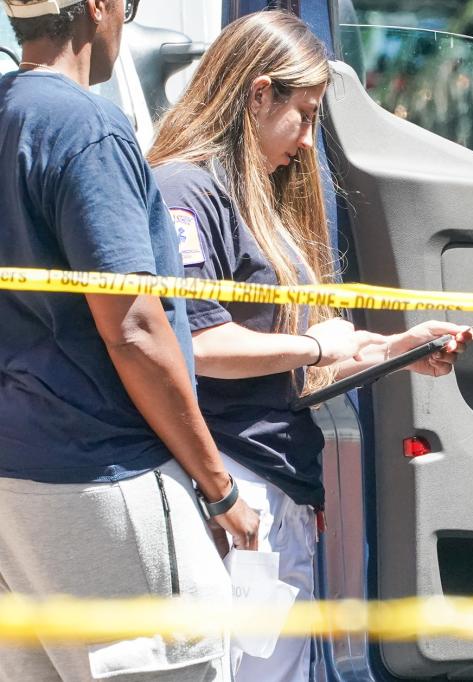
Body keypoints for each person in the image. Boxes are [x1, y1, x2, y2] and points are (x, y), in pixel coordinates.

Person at [147, 11, 473, 681]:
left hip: (276, 486)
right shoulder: (187, 187)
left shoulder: (259, 196)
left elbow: (307, 348)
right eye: (302, 115)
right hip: (233, 482)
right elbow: (201, 344)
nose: (304, 142)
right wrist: (313, 350)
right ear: (257, 93)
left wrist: (395, 348)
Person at [0, 1, 260, 680]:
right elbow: (136, 329)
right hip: (105, 477)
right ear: (97, 8)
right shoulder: (85, 127)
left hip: (18, 483)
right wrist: (219, 486)